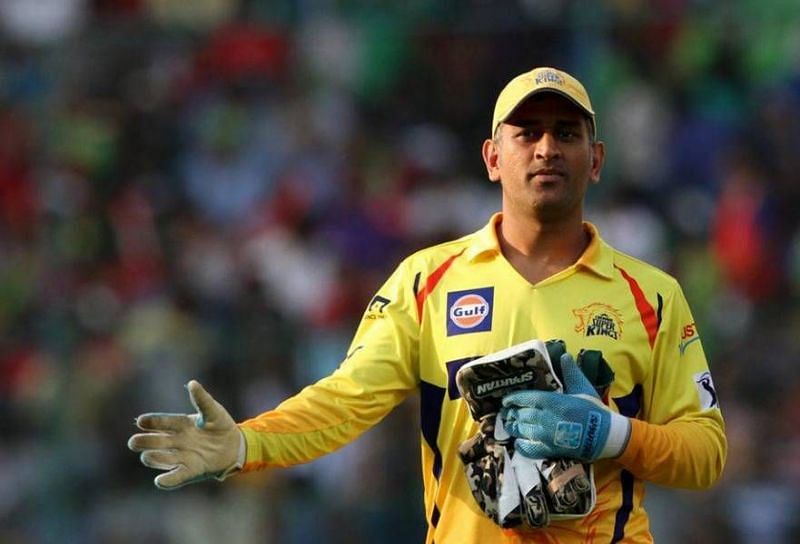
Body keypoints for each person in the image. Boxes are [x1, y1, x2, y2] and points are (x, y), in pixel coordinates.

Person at [128, 67, 727, 543]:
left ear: (595, 161)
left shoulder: (651, 295)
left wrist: (610, 434)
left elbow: (706, 453)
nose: (547, 148)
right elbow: (344, 403)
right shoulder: (426, 282)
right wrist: (246, 445)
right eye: (527, 133)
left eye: (566, 134)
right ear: (493, 157)